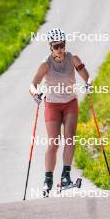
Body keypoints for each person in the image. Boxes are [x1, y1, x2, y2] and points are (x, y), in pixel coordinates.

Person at [29, 28, 91, 196]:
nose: (59, 49)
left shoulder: (73, 58)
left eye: (62, 45)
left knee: (70, 139)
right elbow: (33, 85)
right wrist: (35, 94)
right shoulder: (45, 64)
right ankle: (47, 180)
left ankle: (65, 176)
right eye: (56, 46)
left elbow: (86, 75)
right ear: (51, 47)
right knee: (54, 143)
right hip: (52, 105)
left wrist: (89, 83)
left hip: (70, 103)